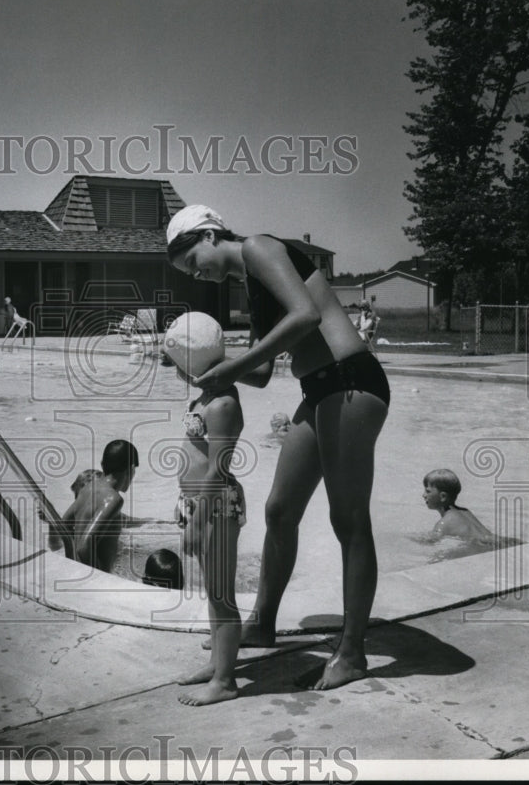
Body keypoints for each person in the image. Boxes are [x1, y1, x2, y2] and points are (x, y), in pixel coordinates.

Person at [166, 204, 391, 691]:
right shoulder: (252, 283)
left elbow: (307, 316)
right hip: (319, 393)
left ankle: (352, 652)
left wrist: (231, 367)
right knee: (279, 509)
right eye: (188, 274)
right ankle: (263, 623)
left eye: (192, 263)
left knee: (348, 521)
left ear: (208, 234)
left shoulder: (257, 246)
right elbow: (264, 373)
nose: (198, 276)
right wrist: (207, 367)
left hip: (350, 383)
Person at [163, 311, 245, 707]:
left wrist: (196, 522)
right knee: (212, 594)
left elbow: (217, 468)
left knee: (222, 596)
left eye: (181, 365)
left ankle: (227, 680)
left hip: (216, 507)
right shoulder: (205, 395)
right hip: (199, 504)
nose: (179, 374)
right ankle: (217, 663)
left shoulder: (223, 404)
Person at [45, 440, 138, 572]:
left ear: (102, 464)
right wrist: (97, 578)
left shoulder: (88, 487)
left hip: (76, 570)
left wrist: (72, 563)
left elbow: (64, 525)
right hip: (95, 579)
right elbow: (84, 546)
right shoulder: (113, 499)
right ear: (131, 469)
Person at [422, 469, 494, 544]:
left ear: (443, 496)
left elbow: (430, 543)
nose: (423, 495)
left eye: (428, 491)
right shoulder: (465, 511)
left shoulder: (444, 523)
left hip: (485, 546)